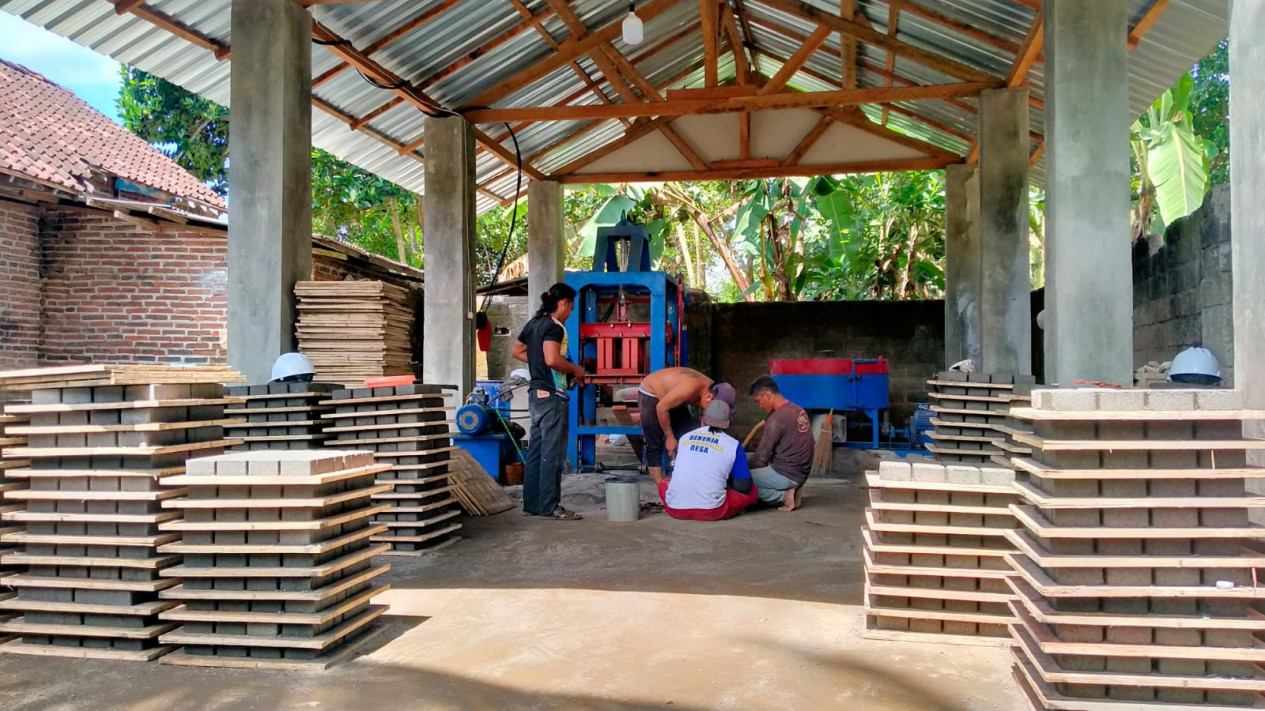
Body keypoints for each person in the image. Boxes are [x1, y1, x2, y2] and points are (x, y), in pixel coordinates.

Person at [512, 283, 587, 520]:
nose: (571, 313)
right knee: (552, 454)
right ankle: (550, 505)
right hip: (552, 396)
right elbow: (553, 359)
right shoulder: (555, 327)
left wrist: (538, 362)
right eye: (571, 308)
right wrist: (576, 369)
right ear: (563, 303)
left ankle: (532, 504)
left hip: (535, 396)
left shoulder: (534, 323)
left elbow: (517, 350)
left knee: (536, 451)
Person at [658, 401, 757, 521]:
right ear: (727, 425)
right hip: (712, 510)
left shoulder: (684, 438)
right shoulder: (733, 445)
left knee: (665, 483)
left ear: (702, 420)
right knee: (753, 491)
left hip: (675, 509)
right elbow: (743, 486)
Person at [637, 367, 736, 484]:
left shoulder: (710, 389)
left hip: (671, 394)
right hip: (652, 393)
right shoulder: (689, 389)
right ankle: (661, 487)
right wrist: (669, 437)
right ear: (709, 397)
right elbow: (661, 408)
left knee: (689, 435)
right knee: (654, 443)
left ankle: (690, 477)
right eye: (714, 408)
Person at [747, 375, 814, 512]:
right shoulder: (798, 410)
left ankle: (783, 496)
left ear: (767, 395)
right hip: (802, 473)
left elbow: (761, 457)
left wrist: (741, 469)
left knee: (736, 483)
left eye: (759, 401)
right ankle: (791, 489)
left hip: (785, 473)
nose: (760, 406)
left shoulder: (776, 420)